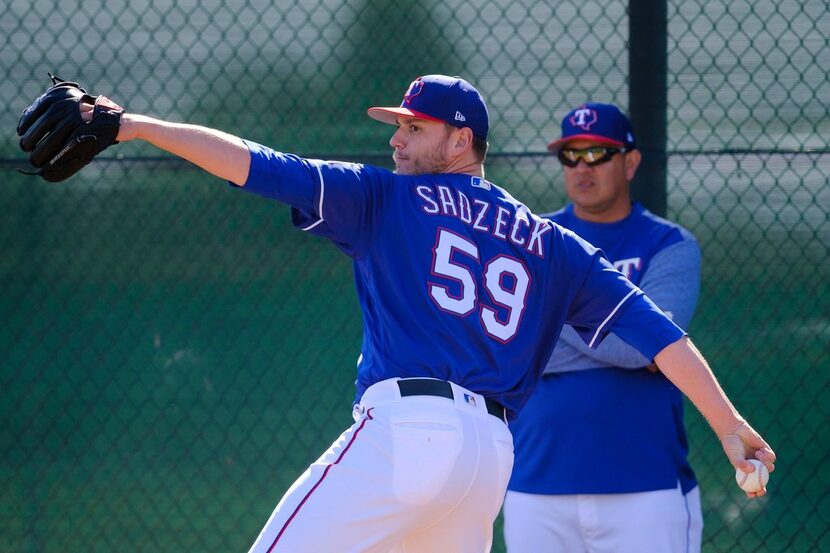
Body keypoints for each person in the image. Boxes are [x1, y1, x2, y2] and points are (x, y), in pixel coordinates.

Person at [18, 74, 775, 553]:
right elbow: (661, 335)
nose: (395, 137)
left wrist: (130, 125)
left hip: (409, 435)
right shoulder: (552, 242)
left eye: (413, 126)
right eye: (398, 124)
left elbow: (253, 162)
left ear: (462, 140)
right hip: (490, 460)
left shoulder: (388, 198)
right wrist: (729, 423)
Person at [504, 102, 705, 553]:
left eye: (598, 154)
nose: (582, 167)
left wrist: (551, 321)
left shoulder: (668, 245)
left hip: (646, 483)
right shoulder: (532, 241)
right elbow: (507, 344)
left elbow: (647, 350)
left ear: (630, 163)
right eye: (570, 155)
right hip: (536, 481)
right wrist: (635, 336)